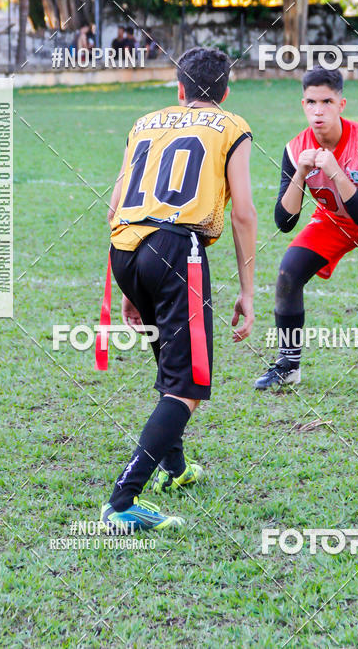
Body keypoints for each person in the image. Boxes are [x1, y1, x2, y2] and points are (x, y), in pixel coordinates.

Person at [101, 46, 257, 533]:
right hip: (175, 249)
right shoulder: (233, 126)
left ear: (179, 89)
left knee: (171, 367)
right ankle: (121, 503)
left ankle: (176, 470)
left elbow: (115, 203)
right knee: (187, 388)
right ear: (225, 91)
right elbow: (244, 212)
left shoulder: (145, 122)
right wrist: (248, 291)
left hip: (125, 247)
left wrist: (131, 284)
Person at [255, 66, 358, 398]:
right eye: (312, 102)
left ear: (341, 104)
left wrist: (334, 171)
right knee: (289, 272)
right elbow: (284, 221)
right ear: (302, 104)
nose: (319, 111)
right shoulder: (295, 149)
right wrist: (300, 173)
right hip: (335, 218)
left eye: (327, 102)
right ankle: (289, 365)